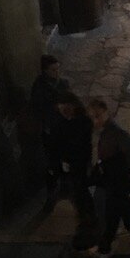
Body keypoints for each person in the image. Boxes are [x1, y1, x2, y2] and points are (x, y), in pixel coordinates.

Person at [88, 99, 130, 255]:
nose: (94, 120)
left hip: (116, 178)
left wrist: (120, 168)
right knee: (123, 202)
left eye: (97, 116)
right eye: (92, 117)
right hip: (113, 178)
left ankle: (105, 243)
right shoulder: (103, 132)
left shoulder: (117, 133)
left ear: (106, 114)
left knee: (112, 212)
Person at [29, 55, 71, 209]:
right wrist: (53, 107)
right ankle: (52, 193)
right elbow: (37, 108)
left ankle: (67, 185)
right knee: (53, 161)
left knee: (67, 157)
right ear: (45, 71)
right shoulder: (39, 87)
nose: (57, 72)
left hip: (63, 128)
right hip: (50, 129)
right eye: (53, 70)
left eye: (58, 69)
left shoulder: (63, 83)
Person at [47, 93, 95, 224]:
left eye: (67, 109)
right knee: (75, 189)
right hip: (65, 163)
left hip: (79, 162)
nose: (64, 112)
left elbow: (83, 144)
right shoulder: (59, 122)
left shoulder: (83, 121)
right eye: (62, 110)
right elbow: (54, 143)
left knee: (80, 190)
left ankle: (88, 214)